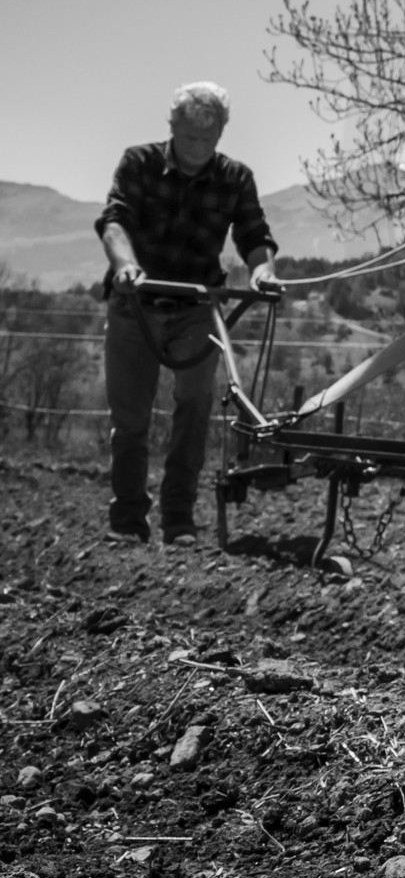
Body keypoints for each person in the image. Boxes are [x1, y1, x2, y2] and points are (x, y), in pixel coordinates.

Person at [94, 82, 280, 546]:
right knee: (130, 419)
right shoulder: (138, 163)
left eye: (208, 138)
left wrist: (263, 272)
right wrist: (126, 266)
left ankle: (178, 519)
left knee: (195, 408)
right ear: (172, 128)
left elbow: (254, 233)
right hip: (136, 305)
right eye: (190, 137)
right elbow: (115, 221)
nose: (198, 147)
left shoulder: (235, 178)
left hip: (197, 307)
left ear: (220, 134)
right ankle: (128, 520)